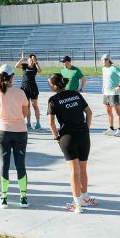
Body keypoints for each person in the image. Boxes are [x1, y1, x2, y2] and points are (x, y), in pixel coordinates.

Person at [47, 73, 95, 213]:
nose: (48, 85)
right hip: (83, 135)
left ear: (54, 85)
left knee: (74, 171)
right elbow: (89, 112)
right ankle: (85, 198)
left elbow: (51, 123)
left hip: (68, 137)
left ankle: (77, 204)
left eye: (49, 83)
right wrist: (86, 128)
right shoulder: (76, 94)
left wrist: (56, 138)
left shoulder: (53, 100)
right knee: (83, 169)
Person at [0, 64, 29, 208]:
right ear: (12, 76)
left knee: (4, 165)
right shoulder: (20, 92)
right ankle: (23, 197)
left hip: (2, 131)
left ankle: (4, 198)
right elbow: (25, 113)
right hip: (20, 131)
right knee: (20, 165)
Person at [15, 52, 42, 130]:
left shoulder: (35, 67)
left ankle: (38, 123)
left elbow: (40, 71)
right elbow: (16, 66)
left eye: (32, 60)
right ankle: (28, 123)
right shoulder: (25, 66)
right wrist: (22, 58)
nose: (31, 61)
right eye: (30, 59)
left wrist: (36, 62)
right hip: (25, 88)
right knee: (27, 106)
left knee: (34, 105)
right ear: (28, 60)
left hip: (33, 87)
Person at [101, 55, 120, 135]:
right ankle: (111, 128)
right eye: (101, 60)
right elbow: (104, 78)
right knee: (108, 111)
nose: (102, 62)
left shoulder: (113, 68)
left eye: (103, 60)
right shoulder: (103, 68)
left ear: (107, 60)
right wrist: (103, 87)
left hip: (113, 94)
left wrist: (119, 86)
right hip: (106, 93)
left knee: (117, 111)